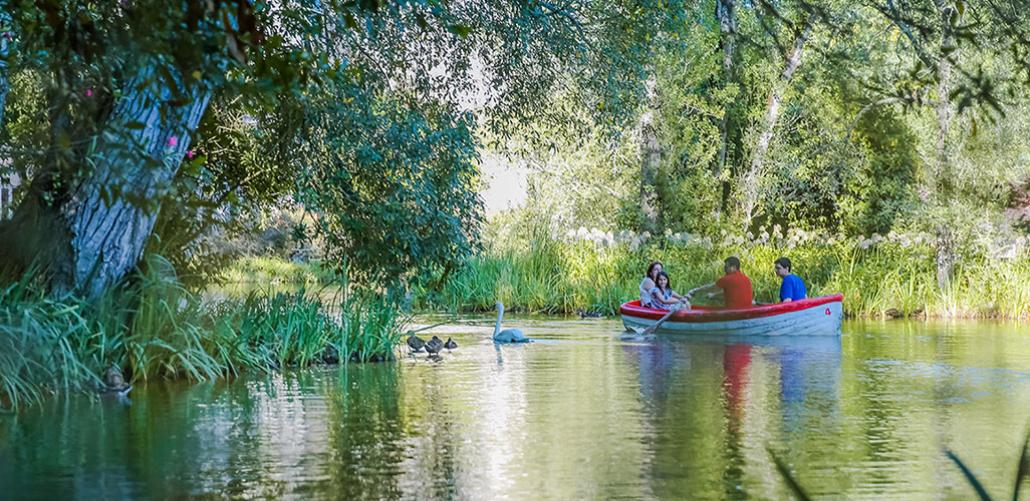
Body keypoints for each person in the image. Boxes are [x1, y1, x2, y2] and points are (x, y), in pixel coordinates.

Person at [689, 256, 754, 309]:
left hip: (733, 312)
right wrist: (713, 296)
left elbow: (710, 288)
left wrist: (695, 290)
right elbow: (731, 293)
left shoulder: (726, 279)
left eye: (726, 267)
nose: (724, 269)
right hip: (747, 311)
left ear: (734, 267)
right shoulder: (746, 279)